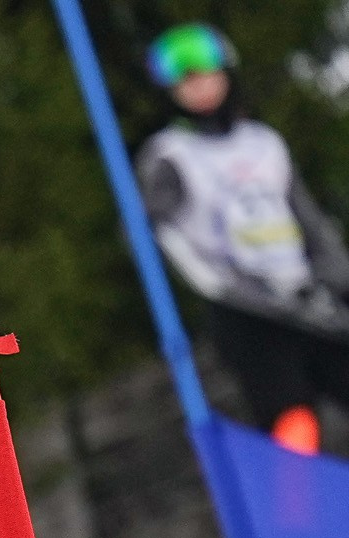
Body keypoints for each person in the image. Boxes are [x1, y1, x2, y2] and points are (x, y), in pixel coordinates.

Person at [137, 22, 349, 453]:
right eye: (185, 81)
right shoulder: (170, 155)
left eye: (206, 75)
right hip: (247, 313)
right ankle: (297, 514)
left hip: (307, 298)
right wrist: (234, 292)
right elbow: (161, 234)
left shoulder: (263, 143)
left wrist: (333, 281)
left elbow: (306, 218)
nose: (199, 88)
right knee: (292, 417)